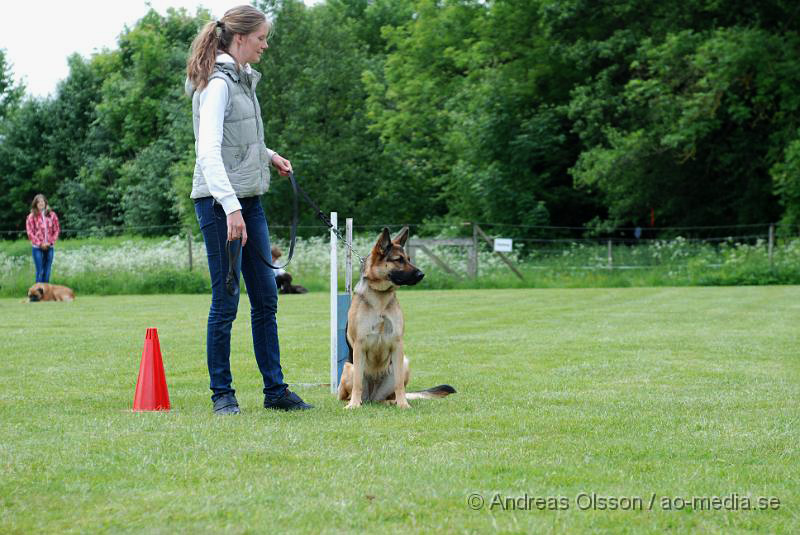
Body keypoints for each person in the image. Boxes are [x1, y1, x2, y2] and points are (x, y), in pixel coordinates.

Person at [186, 5, 312, 414]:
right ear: (239, 38)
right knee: (226, 302)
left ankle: (276, 392)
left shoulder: (243, 80)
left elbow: (237, 139)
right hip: (221, 204)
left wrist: (269, 155)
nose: (266, 44)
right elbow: (207, 153)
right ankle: (222, 394)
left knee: (266, 299)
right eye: (261, 38)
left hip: (248, 201)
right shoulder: (218, 83)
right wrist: (231, 208)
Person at [25, 194, 60, 284]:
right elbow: (30, 233)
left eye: (42, 201)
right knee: (40, 271)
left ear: (45, 202)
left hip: (49, 247)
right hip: (37, 248)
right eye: (38, 202)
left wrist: (50, 242)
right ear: (35, 204)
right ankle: (37, 293)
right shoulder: (31, 216)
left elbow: (56, 229)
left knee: (47, 271)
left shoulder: (52, 215)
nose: (41, 203)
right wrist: (40, 243)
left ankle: (46, 293)